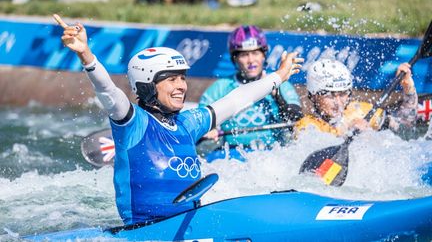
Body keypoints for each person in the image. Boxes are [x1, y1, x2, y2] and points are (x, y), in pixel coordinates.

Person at [53, 14, 303, 225]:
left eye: (182, 78)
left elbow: (236, 101)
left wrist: (279, 76)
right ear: (148, 86)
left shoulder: (188, 123)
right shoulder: (132, 123)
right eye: (171, 79)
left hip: (189, 224)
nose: (182, 86)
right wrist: (86, 55)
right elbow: (108, 91)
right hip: (145, 231)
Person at [199, 25, 302, 160]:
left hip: (274, 153)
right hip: (232, 154)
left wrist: (278, 97)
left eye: (255, 53)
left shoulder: (282, 84)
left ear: (264, 55)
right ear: (235, 58)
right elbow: (201, 120)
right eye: (244, 54)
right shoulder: (220, 87)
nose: (251, 60)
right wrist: (209, 129)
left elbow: (297, 118)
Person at [295, 58, 417, 137]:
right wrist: (349, 132)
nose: (338, 103)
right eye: (330, 95)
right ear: (313, 96)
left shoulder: (362, 111)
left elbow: (405, 129)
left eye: (343, 93)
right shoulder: (307, 127)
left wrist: (408, 88)